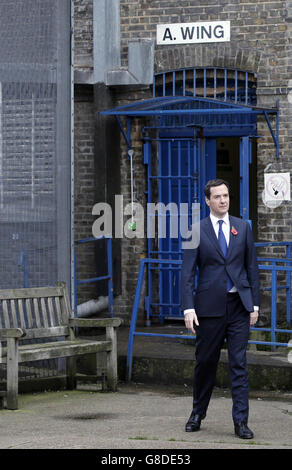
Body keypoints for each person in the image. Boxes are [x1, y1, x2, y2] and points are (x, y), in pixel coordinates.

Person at [180, 178, 260, 439]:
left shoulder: (243, 227)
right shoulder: (196, 230)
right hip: (209, 309)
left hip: (239, 307)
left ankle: (241, 422)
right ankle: (197, 413)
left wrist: (254, 304)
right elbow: (187, 274)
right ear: (207, 201)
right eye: (217, 197)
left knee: (239, 363)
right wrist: (188, 308)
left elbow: (251, 268)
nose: (223, 200)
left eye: (226, 195)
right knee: (205, 363)